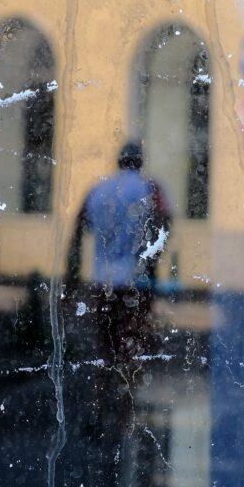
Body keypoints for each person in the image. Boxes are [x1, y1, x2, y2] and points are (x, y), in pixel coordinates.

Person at [66, 140, 171, 368]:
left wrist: (71, 279)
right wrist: (152, 266)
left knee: (105, 346)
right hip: (136, 283)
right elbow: (164, 225)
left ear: (118, 161)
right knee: (133, 348)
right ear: (141, 162)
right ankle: (128, 388)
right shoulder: (150, 189)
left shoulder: (97, 190)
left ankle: (105, 386)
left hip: (102, 281)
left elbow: (77, 232)